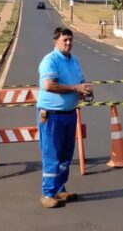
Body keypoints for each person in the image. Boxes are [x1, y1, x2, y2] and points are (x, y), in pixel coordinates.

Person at [36, 27, 93, 209]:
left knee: (65, 156)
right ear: (56, 42)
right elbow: (49, 85)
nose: (68, 43)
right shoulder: (50, 61)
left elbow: (79, 83)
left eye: (70, 40)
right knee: (52, 155)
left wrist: (83, 91)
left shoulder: (74, 61)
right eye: (64, 40)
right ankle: (47, 194)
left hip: (69, 114)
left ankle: (60, 188)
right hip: (52, 116)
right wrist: (75, 88)